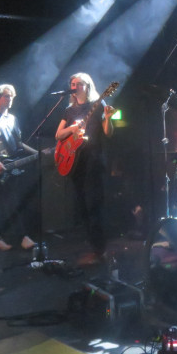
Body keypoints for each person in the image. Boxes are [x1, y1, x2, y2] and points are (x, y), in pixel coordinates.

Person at [55, 72, 115, 265]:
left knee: (94, 204)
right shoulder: (69, 110)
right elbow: (58, 135)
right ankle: (94, 247)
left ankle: (100, 249)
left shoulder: (98, 104)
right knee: (81, 205)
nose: (75, 86)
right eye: (72, 84)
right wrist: (73, 129)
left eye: (79, 83)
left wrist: (108, 118)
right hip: (75, 161)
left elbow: (108, 133)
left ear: (88, 86)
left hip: (93, 159)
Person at [0, 83, 38, 252]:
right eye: (6, 96)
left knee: (5, 204)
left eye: (11, 96)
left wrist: (37, 153)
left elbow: (18, 143)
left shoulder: (13, 119)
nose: (10, 99)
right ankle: (22, 237)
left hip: (13, 165)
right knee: (7, 202)